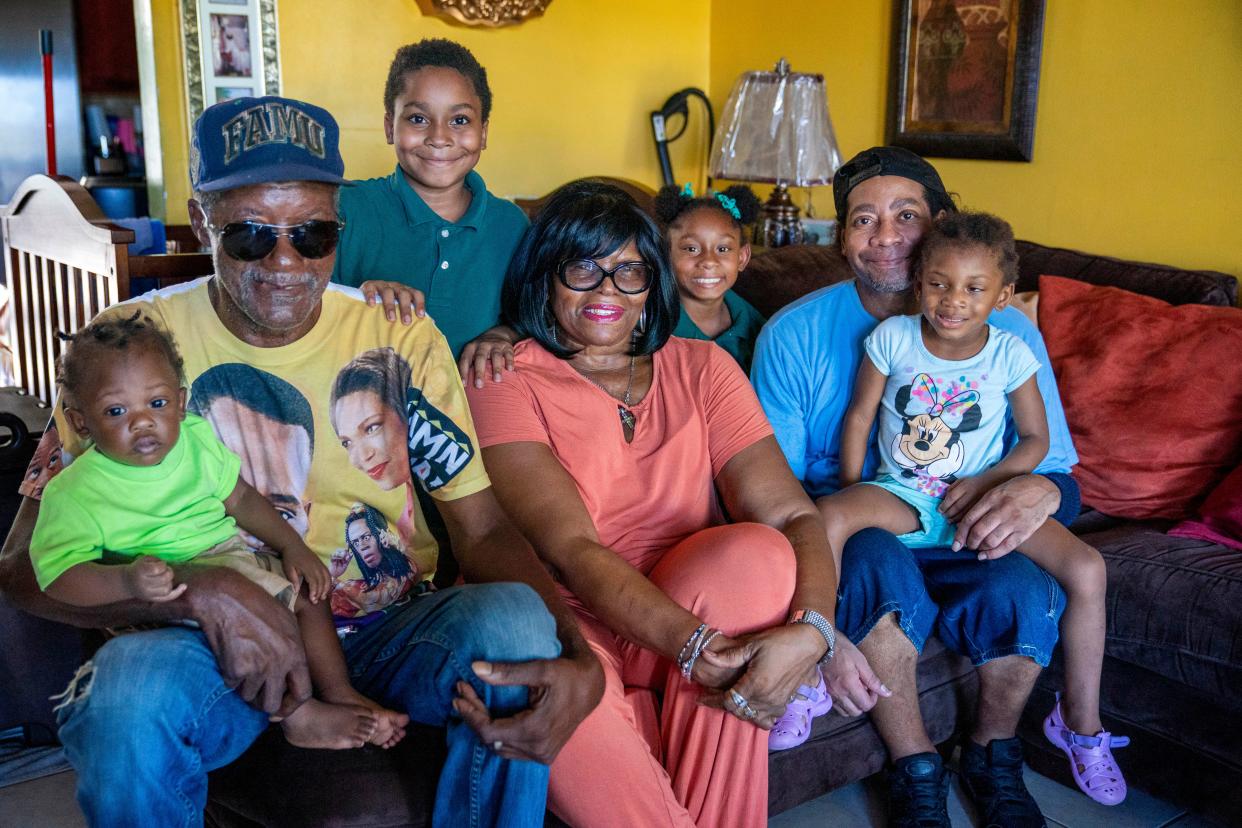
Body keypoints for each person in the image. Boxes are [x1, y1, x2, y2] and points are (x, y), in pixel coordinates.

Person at [0, 95, 602, 828]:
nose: (285, 264)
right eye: (250, 236)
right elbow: (23, 566)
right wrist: (198, 591)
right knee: (127, 696)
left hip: (387, 631)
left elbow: (480, 526)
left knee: (512, 623)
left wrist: (580, 654)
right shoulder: (126, 353)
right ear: (201, 223)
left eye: (313, 235)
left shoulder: (399, 340)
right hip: (203, 648)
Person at [466, 181, 854, 827]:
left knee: (757, 554)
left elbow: (792, 516)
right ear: (546, 276)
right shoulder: (505, 377)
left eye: (628, 271)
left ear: (653, 283)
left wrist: (813, 633)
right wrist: (696, 649)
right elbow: (569, 549)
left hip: (694, 602)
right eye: (582, 267)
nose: (606, 290)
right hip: (572, 624)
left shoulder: (703, 368)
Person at [751, 146, 1082, 828]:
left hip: (966, 512)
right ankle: (916, 767)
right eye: (863, 219)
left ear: (940, 224)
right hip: (865, 518)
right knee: (871, 559)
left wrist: (1043, 495)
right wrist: (822, 634)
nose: (886, 235)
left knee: (1025, 587)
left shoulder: (1008, 331)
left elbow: (1055, 469)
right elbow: (770, 495)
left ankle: (994, 755)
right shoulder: (792, 335)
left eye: (907, 215)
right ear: (841, 237)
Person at [824, 210, 1127, 806]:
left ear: (1004, 295)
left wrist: (988, 480)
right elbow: (860, 416)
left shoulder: (1012, 353)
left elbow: (1037, 442)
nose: (951, 301)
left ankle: (1081, 726)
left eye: (972, 288)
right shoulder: (893, 339)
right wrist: (858, 487)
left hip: (980, 503)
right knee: (828, 520)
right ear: (919, 283)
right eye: (938, 283)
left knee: (1089, 569)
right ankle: (819, 651)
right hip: (903, 495)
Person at [31, 313, 407, 751]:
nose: (142, 422)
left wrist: (293, 547)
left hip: (230, 554)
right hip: (166, 594)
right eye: (116, 411)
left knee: (309, 594)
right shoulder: (76, 492)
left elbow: (242, 499)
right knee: (272, 615)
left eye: (157, 404)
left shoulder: (194, 440)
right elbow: (55, 576)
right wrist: (126, 580)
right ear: (80, 423)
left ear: (180, 399)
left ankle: (338, 690)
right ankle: (299, 714)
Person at [330, 38, 529, 361]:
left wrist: (502, 334)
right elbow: (303, 312)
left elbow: (530, 318)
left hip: (472, 407)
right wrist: (356, 299)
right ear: (389, 127)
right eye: (418, 119)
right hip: (359, 405)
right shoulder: (346, 209)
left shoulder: (511, 225)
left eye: (460, 120)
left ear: (484, 132)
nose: (439, 137)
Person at [655, 183, 768, 374]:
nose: (708, 261)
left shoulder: (759, 329)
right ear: (666, 255)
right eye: (691, 249)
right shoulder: (652, 326)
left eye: (723, 249)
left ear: (742, 257)